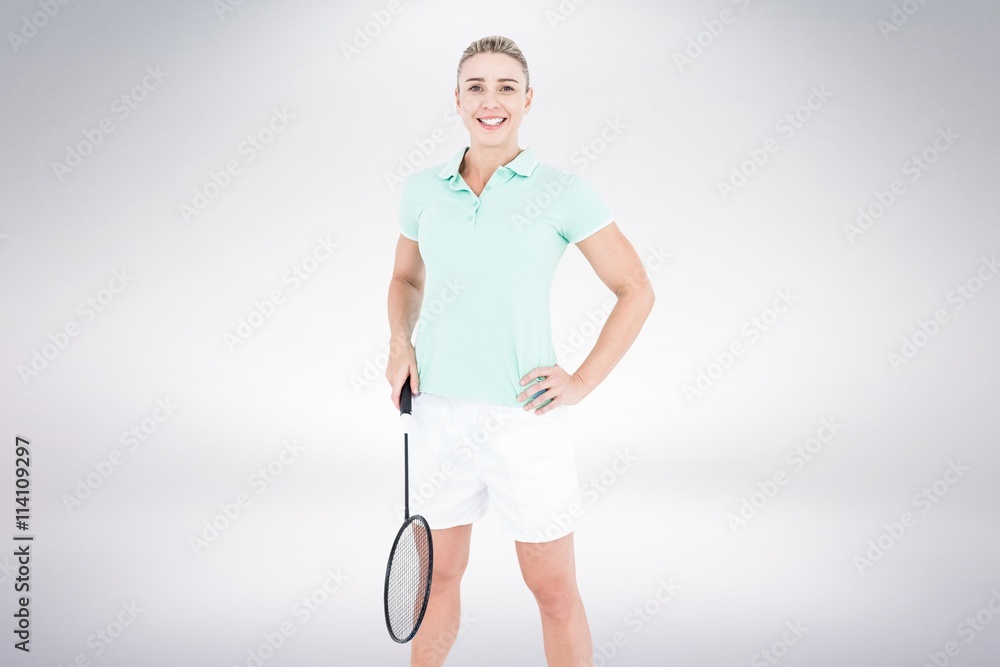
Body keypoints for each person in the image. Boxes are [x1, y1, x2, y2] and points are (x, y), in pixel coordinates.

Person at [386, 35, 655, 667]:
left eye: (506, 87)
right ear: (456, 100)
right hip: (435, 410)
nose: (491, 100)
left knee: (552, 588)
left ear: (528, 100)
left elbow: (635, 288)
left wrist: (582, 381)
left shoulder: (561, 191)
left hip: (523, 418)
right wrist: (400, 341)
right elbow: (406, 279)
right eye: (475, 87)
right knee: (437, 582)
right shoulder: (423, 190)